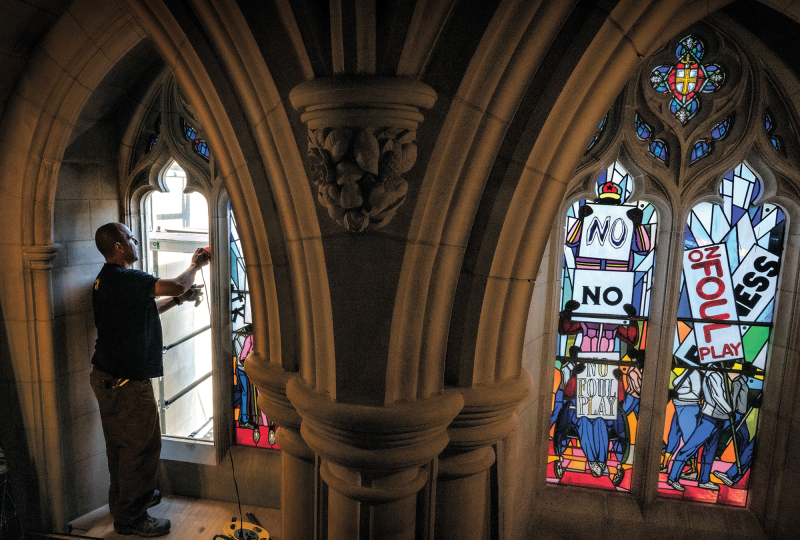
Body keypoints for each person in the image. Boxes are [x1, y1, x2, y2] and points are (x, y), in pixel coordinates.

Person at [90, 222, 209, 537]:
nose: (136, 241)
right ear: (119, 246)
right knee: (141, 447)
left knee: (120, 447)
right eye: (130, 237)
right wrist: (195, 265)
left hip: (108, 378)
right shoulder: (125, 278)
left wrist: (180, 301)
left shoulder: (108, 281)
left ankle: (127, 502)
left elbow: (148, 310)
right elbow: (176, 285)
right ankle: (132, 517)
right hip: (127, 384)